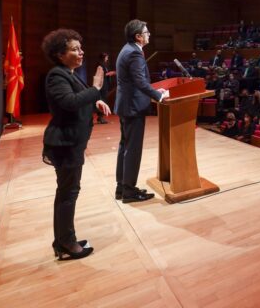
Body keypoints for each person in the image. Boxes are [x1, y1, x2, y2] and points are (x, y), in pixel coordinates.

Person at [41, 29, 110, 260]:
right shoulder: (57, 75)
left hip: (72, 143)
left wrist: (96, 100)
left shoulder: (69, 73)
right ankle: (67, 244)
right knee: (68, 194)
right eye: (74, 49)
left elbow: (79, 99)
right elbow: (69, 103)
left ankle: (62, 239)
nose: (81, 53)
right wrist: (96, 89)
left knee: (67, 192)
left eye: (81, 48)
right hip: (65, 143)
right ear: (60, 54)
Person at [114, 19, 169, 203]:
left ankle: (122, 187)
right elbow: (139, 81)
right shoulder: (134, 54)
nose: (149, 34)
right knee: (133, 149)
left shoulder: (127, 49)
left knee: (125, 147)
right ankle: (129, 192)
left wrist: (154, 91)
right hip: (133, 108)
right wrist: (158, 96)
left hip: (126, 105)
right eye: (146, 32)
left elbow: (135, 81)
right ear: (138, 36)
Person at [94, 52, 114, 124]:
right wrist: (109, 73)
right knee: (102, 100)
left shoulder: (104, 65)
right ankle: (100, 117)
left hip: (105, 86)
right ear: (103, 57)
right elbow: (99, 74)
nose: (107, 58)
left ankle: (101, 117)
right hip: (101, 86)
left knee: (104, 100)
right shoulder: (100, 64)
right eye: (106, 57)